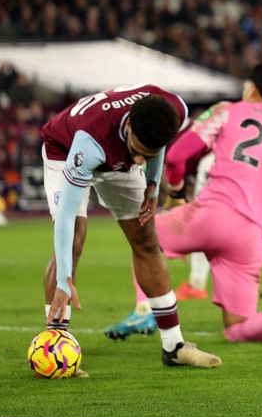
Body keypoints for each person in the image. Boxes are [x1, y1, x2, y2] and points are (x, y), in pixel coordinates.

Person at [104, 64, 262, 344]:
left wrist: (176, 193)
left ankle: (144, 309)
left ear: (251, 88)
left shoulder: (227, 110)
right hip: (252, 239)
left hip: (214, 214)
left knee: (144, 237)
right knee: (238, 328)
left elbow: (176, 157)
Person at [41, 84, 222, 370]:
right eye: (138, 151)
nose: (140, 160)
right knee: (74, 240)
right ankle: (55, 348)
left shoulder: (175, 110)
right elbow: (64, 216)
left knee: (147, 239)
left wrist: (152, 182)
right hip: (66, 151)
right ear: (129, 126)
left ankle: (173, 346)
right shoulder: (90, 143)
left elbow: (150, 149)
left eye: (147, 156)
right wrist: (64, 281)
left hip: (117, 156)